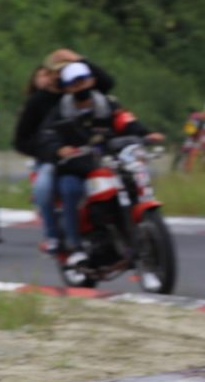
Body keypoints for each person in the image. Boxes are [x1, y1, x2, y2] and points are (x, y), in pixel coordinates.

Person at [36, 62, 164, 264]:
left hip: (107, 161)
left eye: (83, 80)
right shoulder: (60, 110)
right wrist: (59, 149)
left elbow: (126, 120)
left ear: (92, 80)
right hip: (74, 166)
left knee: (130, 179)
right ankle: (75, 245)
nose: (80, 86)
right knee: (70, 189)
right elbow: (47, 136)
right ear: (68, 87)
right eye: (74, 83)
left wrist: (146, 134)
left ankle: (129, 230)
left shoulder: (107, 104)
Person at [13, 49, 115, 253]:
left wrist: (78, 58)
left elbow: (106, 82)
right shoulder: (38, 101)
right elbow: (22, 140)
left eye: (67, 71)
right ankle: (52, 235)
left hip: (87, 153)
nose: (62, 76)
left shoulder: (80, 93)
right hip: (53, 157)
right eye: (56, 72)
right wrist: (53, 151)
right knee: (44, 186)